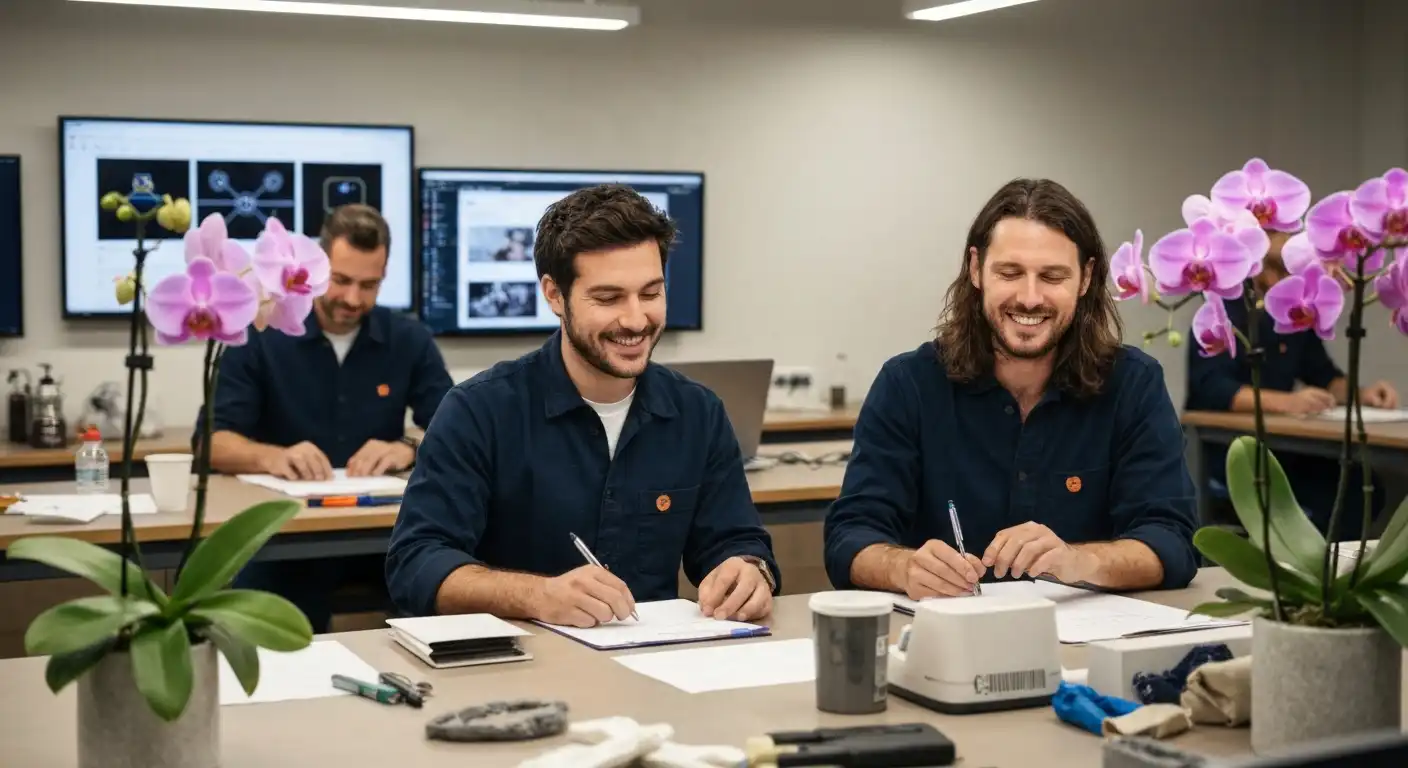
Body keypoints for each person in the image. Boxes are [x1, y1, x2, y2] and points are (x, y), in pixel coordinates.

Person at [385, 184, 779, 627]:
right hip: (518, 671)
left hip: (656, 668)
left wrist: (749, 571)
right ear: (554, 295)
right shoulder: (478, 411)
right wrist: (536, 595)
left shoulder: (698, 413)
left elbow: (736, 541)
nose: (635, 320)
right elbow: (415, 565)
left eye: (650, 293)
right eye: (608, 298)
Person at [824, 178, 1199, 601]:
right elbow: (849, 538)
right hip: (946, 641)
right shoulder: (907, 385)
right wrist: (904, 568)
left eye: (1052, 276)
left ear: (1085, 278)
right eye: (1010, 272)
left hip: (1089, 647)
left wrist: (1077, 562)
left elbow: (1172, 542)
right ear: (975, 269)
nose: (1029, 297)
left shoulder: (1133, 384)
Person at [207, 203, 454, 633]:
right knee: (258, 618)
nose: (353, 299)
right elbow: (212, 443)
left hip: (383, 537)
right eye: (340, 281)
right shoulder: (263, 332)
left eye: (369, 284)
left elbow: (458, 433)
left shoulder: (408, 340)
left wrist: (406, 448)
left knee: (437, 594)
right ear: (317, 268)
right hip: (283, 539)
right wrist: (271, 457)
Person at [1184, 230, 1398, 538]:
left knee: (1359, 488)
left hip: (1286, 451)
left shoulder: (1297, 313)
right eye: (1284, 270)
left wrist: (1363, 395)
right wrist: (1287, 403)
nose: (1295, 278)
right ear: (1264, 271)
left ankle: (1321, 570)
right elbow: (1211, 389)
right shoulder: (1221, 314)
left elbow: (1325, 375)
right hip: (1231, 454)